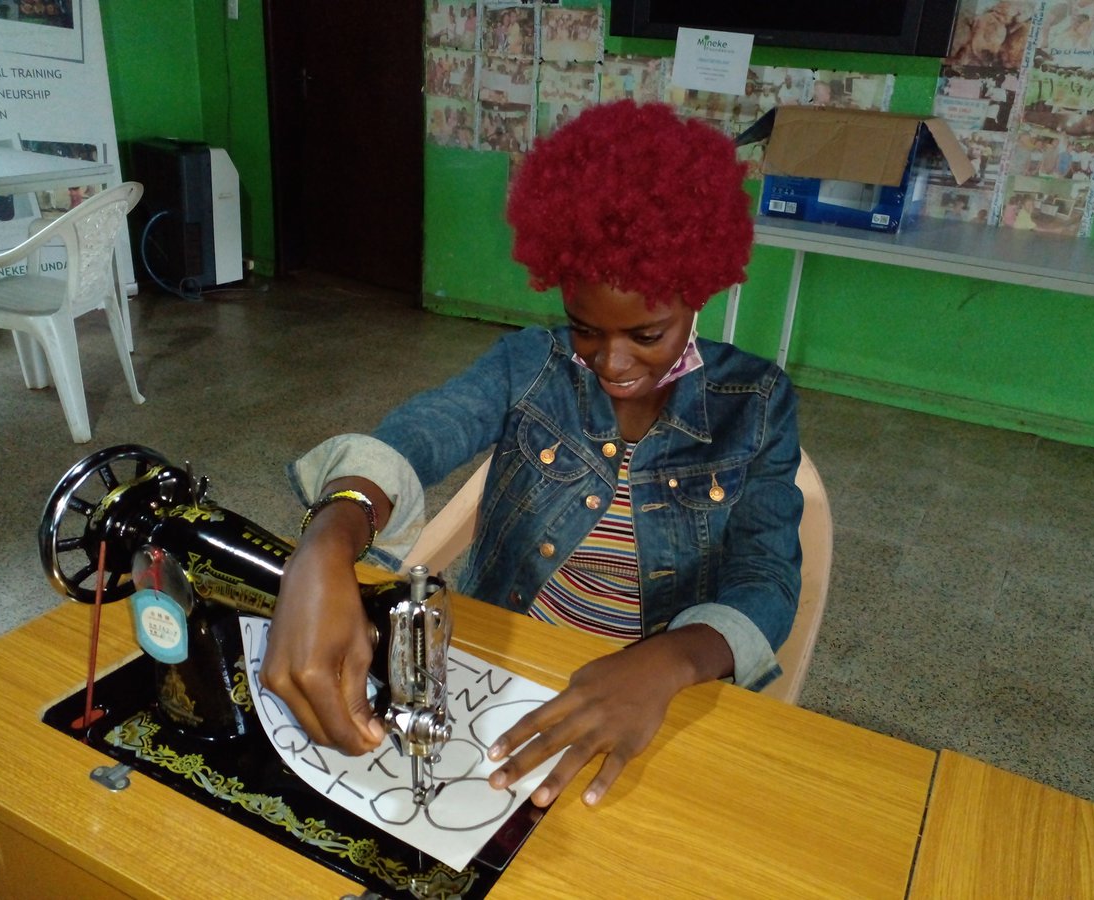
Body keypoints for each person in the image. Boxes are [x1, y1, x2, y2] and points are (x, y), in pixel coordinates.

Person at [262, 100, 803, 810]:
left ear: (699, 291)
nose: (611, 363)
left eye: (647, 334)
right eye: (585, 329)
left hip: (651, 693)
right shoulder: (531, 364)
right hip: (506, 662)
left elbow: (767, 580)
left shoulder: (756, 402)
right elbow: (424, 432)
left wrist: (667, 661)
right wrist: (329, 538)